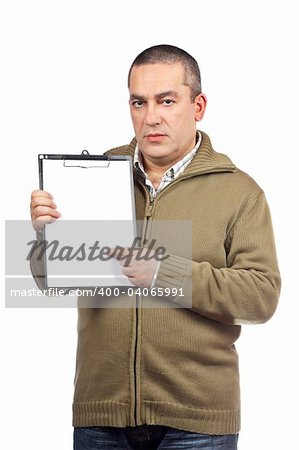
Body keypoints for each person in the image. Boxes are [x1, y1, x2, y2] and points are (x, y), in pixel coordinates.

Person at [30, 45, 281, 450]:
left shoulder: (240, 192)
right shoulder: (96, 175)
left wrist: (164, 272)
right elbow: (50, 282)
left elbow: (261, 296)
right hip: (101, 417)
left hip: (197, 424)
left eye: (167, 100)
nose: (151, 117)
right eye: (138, 102)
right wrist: (44, 237)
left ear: (197, 105)